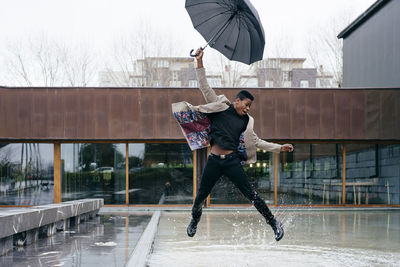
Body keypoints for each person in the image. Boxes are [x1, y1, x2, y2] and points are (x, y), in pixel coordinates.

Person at [172, 48, 294, 241]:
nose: (247, 108)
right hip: (213, 161)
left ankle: (274, 223)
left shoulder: (246, 122)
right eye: (245, 104)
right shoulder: (221, 108)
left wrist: (280, 147)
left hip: (231, 162)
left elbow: (257, 141)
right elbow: (205, 87)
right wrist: (200, 62)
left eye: (249, 107)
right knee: (200, 196)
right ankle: (195, 220)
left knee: (251, 194)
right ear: (236, 101)